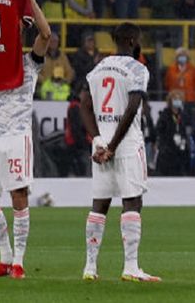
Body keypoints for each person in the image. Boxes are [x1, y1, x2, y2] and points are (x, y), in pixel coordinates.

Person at [0, 0, 51, 280]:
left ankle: (18, 261)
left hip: (17, 135)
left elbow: (47, 35)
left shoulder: (30, 62)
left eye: (17, 24)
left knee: (19, 195)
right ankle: (4, 258)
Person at [79, 22, 161, 283]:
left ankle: (90, 268)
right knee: (132, 201)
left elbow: (83, 104)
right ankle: (131, 267)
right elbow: (133, 106)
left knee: (100, 204)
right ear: (132, 41)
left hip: (102, 145)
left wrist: (98, 140)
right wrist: (113, 145)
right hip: (125, 145)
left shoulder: (98, 68)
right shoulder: (138, 69)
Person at [155, 91, 191, 177]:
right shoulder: (165, 115)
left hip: (180, 152)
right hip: (167, 152)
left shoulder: (183, 115)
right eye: (175, 99)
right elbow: (159, 131)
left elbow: (185, 131)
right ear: (170, 101)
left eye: (179, 99)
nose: (177, 101)